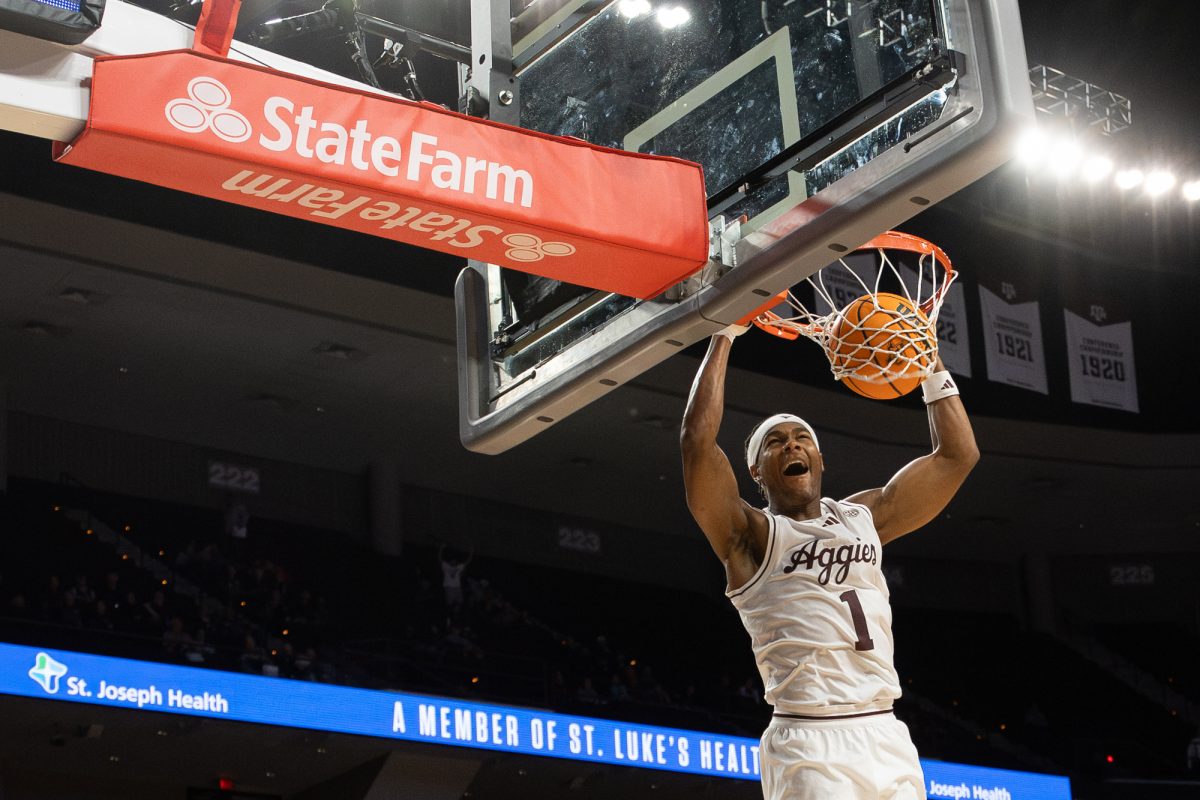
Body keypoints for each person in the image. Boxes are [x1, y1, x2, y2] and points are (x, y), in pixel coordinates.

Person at [680, 324, 978, 800]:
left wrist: (929, 363)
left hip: (885, 732)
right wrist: (725, 333)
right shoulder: (750, 537)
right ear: (756, 470)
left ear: (820, 459)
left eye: (802, 438)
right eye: (775, 442)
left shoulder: (864, 517)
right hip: (809, 738)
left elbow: (958, 457)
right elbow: (697, 442)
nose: (792, 444)